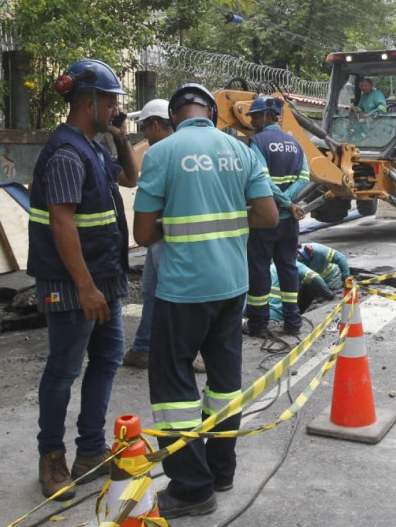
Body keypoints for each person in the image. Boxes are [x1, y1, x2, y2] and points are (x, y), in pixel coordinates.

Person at [133, 83, 278, 518]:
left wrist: (172, 227)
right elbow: (269, 216)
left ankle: (192, 489)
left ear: (174, 117)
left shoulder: (161, 153)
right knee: (224, 382)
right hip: (233, 286)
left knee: (173, 383)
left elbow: (142, 234)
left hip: (183, 289)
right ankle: (221, 470)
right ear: (214, 113)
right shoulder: (243, 150)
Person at [28, 59, 137, 498]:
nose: (115, 107)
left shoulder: (92, 147)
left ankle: (90, 451)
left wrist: (121, 138)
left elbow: (130, 178)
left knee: (108, 359)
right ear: (88, 101)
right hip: (74, 283)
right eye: (110, 100)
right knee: (63, 370)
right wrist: (86, 287)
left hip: (103, 275)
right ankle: (51, 459)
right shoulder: (67, 153)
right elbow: (61, 224)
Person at [243, 95, 310, 336]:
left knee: (259, 269)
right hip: (289, 224)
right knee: (288, 267)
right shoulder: (295, 144)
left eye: (254, 116)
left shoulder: (257, 143)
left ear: (266, 116)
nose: (252, 121)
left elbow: (261, 180)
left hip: (264, 219)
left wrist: (282, 202)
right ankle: (293, 321)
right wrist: (290, 203)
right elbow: (305, 177)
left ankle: (258, 324)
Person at [121, 99, 175, 369]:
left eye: (145, 128)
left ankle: (184, 351)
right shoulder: (180, 150)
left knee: (170, 295)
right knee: (153, 292)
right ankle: (143, 346)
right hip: (162, 236)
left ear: (156, 124)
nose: (144, 135)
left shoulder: (162, 152)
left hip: (165, 236)